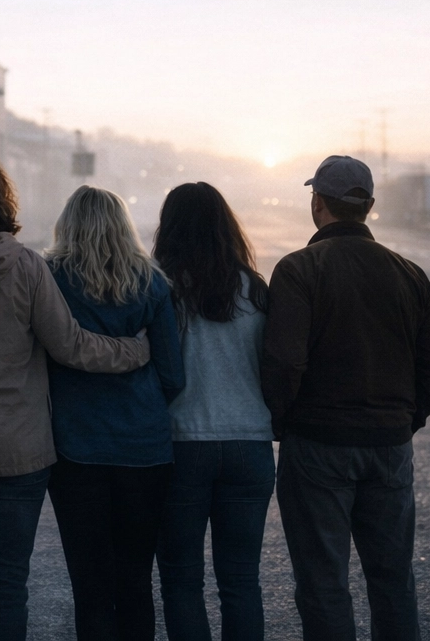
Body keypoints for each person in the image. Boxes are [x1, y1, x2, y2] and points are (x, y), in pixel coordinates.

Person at [0, 153, 153, 641]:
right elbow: (70, 346)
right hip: (17, 451)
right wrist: (136, 350)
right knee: (7, 585)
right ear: (2, 198)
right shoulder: (27, 267)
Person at [262, 155, 430, 641]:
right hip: (388, 445)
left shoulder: (298, 269)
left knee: (324, 581)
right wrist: (404, 420)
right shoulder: (408, 273)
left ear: (317, 203)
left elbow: (285, 363)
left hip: (318, 445)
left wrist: (282, 423)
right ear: (368, 206)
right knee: (392, 579)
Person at [43, 185, 184, 641]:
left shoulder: (50, 278)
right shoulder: (153, 282)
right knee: (135, 579)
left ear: (68, 226)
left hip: (75, 448)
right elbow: (173, 375)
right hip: (144, 450)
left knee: (91, 585)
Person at [153, 182, 276, 641]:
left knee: (182, 580)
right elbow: (273, 367)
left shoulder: (162, 288)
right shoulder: (254, 289)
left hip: (183, 444)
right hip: (250, 443)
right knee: (241, 580)